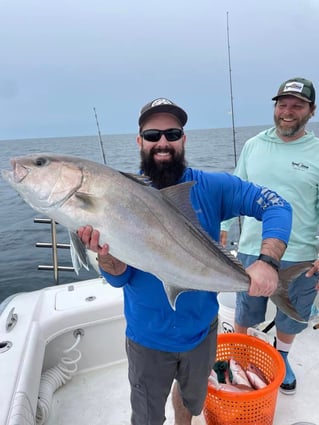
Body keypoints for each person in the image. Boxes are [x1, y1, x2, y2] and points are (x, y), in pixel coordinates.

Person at [78, 97, 293, 425]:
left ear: (183, 139)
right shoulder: (118, 198)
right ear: (139, 141)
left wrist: (267, 261)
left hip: (202, 333)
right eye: (152, 135)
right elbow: (120, 278)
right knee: (147, 417)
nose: (162, 142)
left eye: (172, 133)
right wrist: (105, 257)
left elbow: (277, 205)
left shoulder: (212, 187)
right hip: (147, 338)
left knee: (191, 405)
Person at [221, 77, 319, 395]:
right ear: (275, 107)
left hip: (303, 252)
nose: (287, 112)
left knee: (293, 314)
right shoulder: (253, 145)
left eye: (297, 106)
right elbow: (234, 190)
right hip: (252, 247)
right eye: (282, 104)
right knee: (246, 309)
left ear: (311, 111)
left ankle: (282, 356)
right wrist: (222, 230)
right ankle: (240, 358)